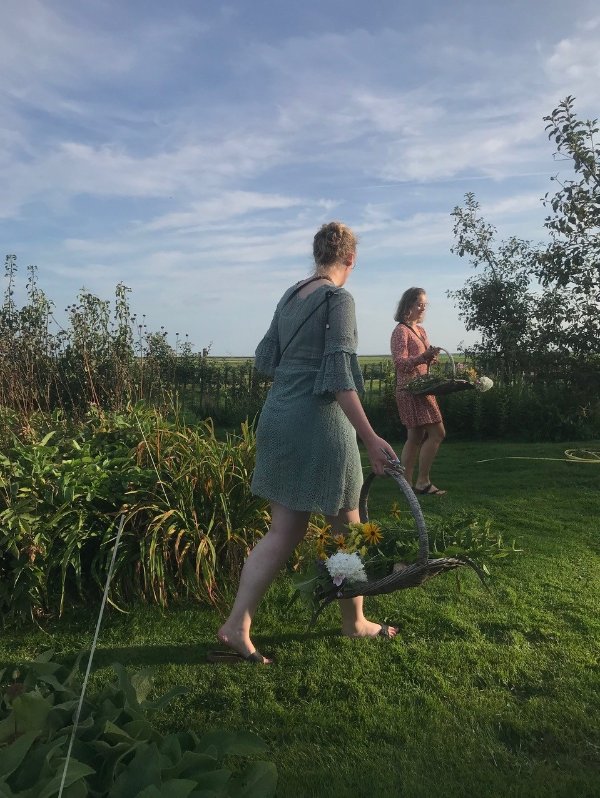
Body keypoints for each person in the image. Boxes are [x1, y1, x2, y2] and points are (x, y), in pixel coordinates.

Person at [215, 222, 399, 664]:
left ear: (317, 255)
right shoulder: (339, 299)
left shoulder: (290, 295)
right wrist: (371, 438)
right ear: (350, 259)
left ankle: (237, 624)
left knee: (284, 531)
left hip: (278, 416)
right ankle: (354, 623)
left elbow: (266, 359)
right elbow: (339, 377)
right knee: (348, 529)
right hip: (318, 422)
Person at [390, 287, 446, 496]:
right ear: (408, 306)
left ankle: (406, 485)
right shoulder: (401, 331)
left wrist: (431, 356)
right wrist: (423, 358)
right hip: (411, 390)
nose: (424, 308)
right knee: (438, 433)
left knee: (415, 436)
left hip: (423, 388)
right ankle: (422, 482)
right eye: (420, 304)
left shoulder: (420, 331)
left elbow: (424, 357)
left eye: (425, 304)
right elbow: (400, 363)